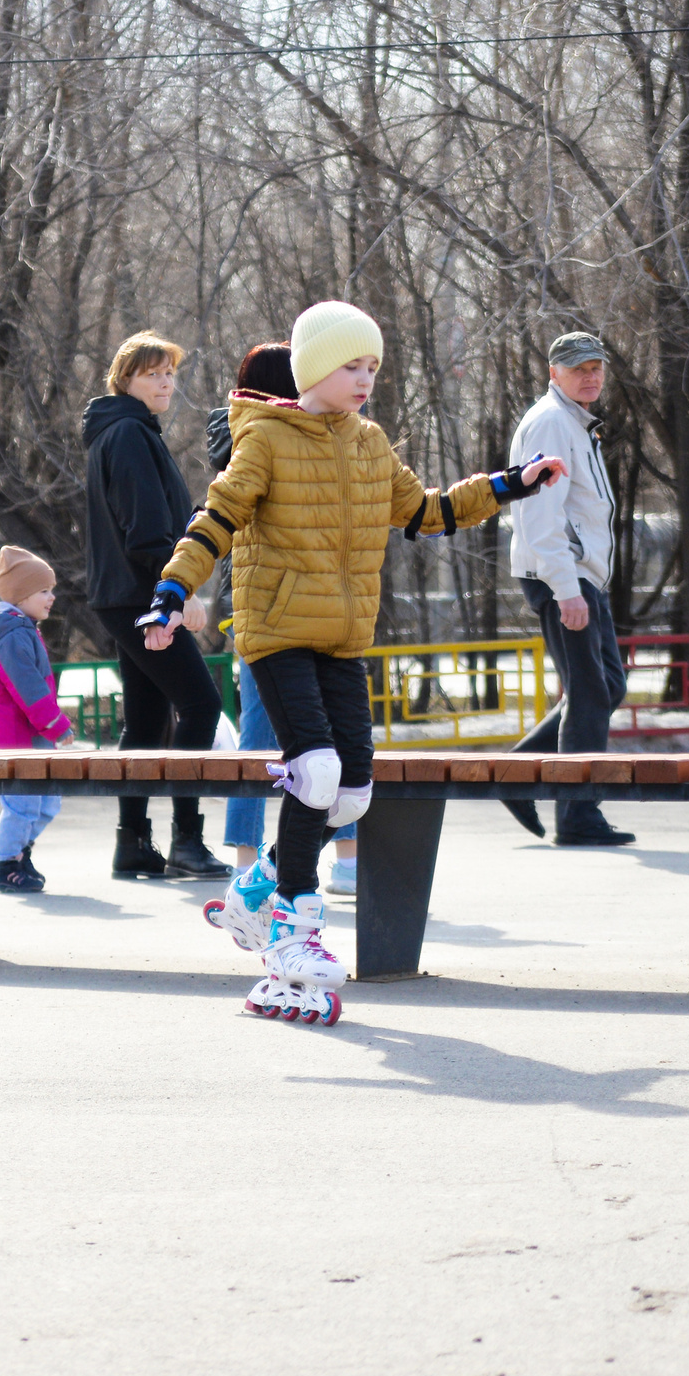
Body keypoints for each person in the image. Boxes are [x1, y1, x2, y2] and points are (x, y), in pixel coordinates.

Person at [142, 301, 564, 1022]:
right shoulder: (267, 439)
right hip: (277, 631)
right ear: (312, 368)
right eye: (351, 365)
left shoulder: (369, 442)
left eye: (372, 365)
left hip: (343, 635)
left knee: (354, 792)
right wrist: (173, 590)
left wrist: (509, 484)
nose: (366, 377)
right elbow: (217, 517)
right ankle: (291, 930)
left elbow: (426, 510)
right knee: (316, 771)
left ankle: (254, 893)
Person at [208, 341, 356, 895]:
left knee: (308, 742)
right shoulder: (262, 440)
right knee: (296, 741)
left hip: (278, 608)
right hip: (273, 613)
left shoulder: (248, 433)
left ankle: (264, 858)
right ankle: (326, 858)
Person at [82, 331, 228, 880]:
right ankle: (186, 839)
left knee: (144, 721)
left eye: (169, 372)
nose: (165, 381)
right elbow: (144, 533)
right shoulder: (127, 435)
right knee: (200, 705)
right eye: (152, 373)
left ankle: (133, 844)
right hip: (143, 592)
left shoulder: (125, 432)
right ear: (125, 380)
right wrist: (179, 592)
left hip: (124, 594)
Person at [501, 331, 636, 846]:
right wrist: (567, 588)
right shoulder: (552, 424)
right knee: (589, 692)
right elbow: (539, 516)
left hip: (578, 574)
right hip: (562, 574)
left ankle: (517, 776)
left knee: (604, 687)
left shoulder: (575, 423)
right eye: (579, 368)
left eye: (597, 367)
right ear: (554, 373)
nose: (591, 376)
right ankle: (578, 817)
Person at [0, 546, 74, 893]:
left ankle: (19, 853)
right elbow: (28, 689)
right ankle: (5, 865)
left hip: (30, 734)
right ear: (21, 594)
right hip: (12, 735)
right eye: (44, 591)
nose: (51, 597)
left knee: (47, 802)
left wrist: (50, 725)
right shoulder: (12, 637)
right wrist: (56, 724)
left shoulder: (23, 630)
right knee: (23, 803)